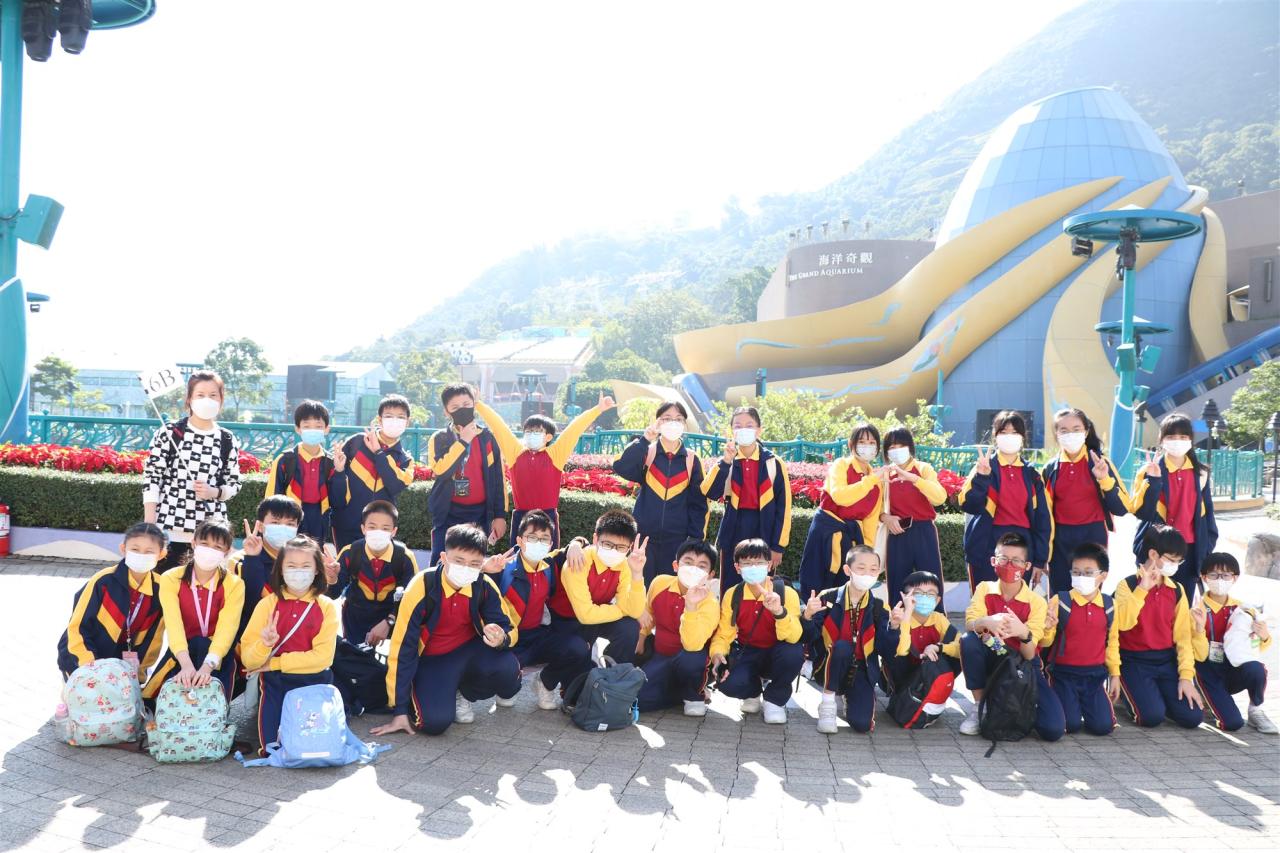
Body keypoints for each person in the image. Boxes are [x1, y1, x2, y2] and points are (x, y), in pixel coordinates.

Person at [373, 525, 518, 736]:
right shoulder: (422, 586)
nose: (466, 568)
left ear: (482, 564)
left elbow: (510, 628)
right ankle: (436, 693)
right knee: (434, 723)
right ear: (444, 557)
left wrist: (501, 638)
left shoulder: (484, 585)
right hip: (432, 661)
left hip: (469, 653)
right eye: (459, 561)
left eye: (475, 563)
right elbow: (403, 647)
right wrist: (399, 709)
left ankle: (464, 694)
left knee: (509, 669)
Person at [239, 537, 340, 756]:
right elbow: (249, 659)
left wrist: (274, 663)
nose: (298, 572)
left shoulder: (326, 607)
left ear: (317, 570)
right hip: (275, 684)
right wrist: (264, 645)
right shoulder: (267, 604)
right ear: (280, 569)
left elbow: (323, 658)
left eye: (306, 566)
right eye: (291, 566)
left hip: (313, 683)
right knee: (272, 750)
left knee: (312, 750)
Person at [958, 532, 1064, 741]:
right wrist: (986, 621)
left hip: (1023, 663)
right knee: (968, 641)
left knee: (1053, 729)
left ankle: (1011, 705)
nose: (1009, 565)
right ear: (993, 561)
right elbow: (970, 624)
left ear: (1027, 566)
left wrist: (1023, 632)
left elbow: (1029, 653)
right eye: (1003, 559)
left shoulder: (1036, 602)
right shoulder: (984, 588)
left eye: (1016, 560)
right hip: (995, 651)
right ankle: (980, 707)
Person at [477, 393, 614, 549]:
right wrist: (477, 404)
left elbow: (574, 429)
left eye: (536, 431)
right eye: (528, 431)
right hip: (522, 516)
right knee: (518, 558)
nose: (531, 434)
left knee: (549, 559)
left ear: (548, 437)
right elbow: (498, 425)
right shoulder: (515, 452)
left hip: (547, 517)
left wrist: (598, 409)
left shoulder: (556, 454)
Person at [143, 370, 241, 570]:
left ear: (221, 400)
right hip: (170, 530)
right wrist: (150, 525)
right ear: (189, 399)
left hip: (211, 536)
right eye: (200, 395)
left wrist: (214, 492)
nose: (207, 400)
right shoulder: (170, 433)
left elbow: (234, 483)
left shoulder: (227, 439)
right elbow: (152, 478)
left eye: (213, 395)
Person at [493, 510, 592, 710]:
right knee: (507, 694)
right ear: (519, 540)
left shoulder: (549, 564)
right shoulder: (504, 569)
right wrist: (484, 570)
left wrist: (575, 544)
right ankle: (506, 686)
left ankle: (545, 682)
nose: (538, 543)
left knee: (578, 648)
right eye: (532, 537)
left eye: (544, 538)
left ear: (550, 543)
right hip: (511, 640)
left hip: (539, 636)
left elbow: (577, 545)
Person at [1114, 524, 1204, 729]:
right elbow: (1123, 624)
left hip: (1165, 661)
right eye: (1171, 560)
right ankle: (1133, 696)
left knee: (1192, 717)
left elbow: (1183, 638)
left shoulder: (1177, 590)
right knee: (1151, 717)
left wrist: (1186, 677)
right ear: (1153, 554)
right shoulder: (1127, 585)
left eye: (1179, 561)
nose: (1175, 566)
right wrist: (1142, 589)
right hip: (1133, 660)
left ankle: (1157, 698)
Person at [143, 520, 245, 702]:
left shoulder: (234, 584)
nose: (209, 550)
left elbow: (227, 629)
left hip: (217, 654)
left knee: (211, 704)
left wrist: (207, 667)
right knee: (156, 701)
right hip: (183, 650)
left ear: (227, 552)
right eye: (204, 543)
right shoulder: (171, 578)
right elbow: (173, 625)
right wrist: (186, 665)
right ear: (193, 543)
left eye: (218, 547)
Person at [613, 401, 711, 585]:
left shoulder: (691, 459)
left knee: (669, 589)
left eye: (678, 419)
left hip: (677, 541)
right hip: (644, 538)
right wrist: (644, 440)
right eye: (667, 418)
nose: (673, 423)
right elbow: (621, 467)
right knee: (639, 587)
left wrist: (694, 539)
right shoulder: (647, 452)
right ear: (658, 422)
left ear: (684, 424)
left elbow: (699, 503)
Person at [708, 539, 804, 724]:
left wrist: (779, 611)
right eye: (746, 563)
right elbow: (724, 633)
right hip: (748, 650)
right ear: (737, 568)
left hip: (778, 652)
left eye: (759, 562)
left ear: (769, 565)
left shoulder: (786, 593)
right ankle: (752, 692)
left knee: (793, 653)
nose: (753, 567)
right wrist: (717, 653)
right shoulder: (733, 594)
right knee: (727, 683)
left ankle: (774, 700)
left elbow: (794, 636)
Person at [57, 522, 167, 682]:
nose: (141, 555)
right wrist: (91, 669)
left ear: (161, 554)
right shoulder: (103, 581)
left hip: (123, 668)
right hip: (82, 659)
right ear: (123, 548)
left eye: (149, 551)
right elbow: (77, 628)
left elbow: (154, 639)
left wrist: (138, 675)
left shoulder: (161, 589)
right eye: (135, 549)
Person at [802, 545, 893, 734]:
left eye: (873, 569)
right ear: (847, 570)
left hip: (861, 668)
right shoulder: (827, 597)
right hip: (828, 663)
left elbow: (886, 649)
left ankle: (847, 695)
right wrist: (808, 616)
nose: (867, 574)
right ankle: (828, 703)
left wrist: (895, 627)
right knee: (842, 647)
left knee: (862, 725)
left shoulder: (879, 607)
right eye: (861, 568)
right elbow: (808, 637)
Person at [702, 406, 792, 590]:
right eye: (738, 425)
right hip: (734, 527)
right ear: (732, 431)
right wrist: (725, 462)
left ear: (759, 430)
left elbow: (783, 507)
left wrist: (778, 546)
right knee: (730, 585)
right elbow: (709, 491)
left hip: (764, 528)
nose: (743, 429)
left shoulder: (773, 462)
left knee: (763, 585)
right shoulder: (729, 460)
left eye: (749, 425)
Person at [960, 410, 1051, 592]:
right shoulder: (984, 467)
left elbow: (1043, 520)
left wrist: (1039, 560)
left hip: (1022, 548)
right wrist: (982, 477)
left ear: (1023, 437)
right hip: (987, 545)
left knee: (1017, 602)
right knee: (985, 601)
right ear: (995, 436)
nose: (1009, 436)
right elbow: (969, 505)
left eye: (1015, 432)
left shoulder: (1032, 475)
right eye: (1003, 432)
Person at [1042, 408, 1129, 595]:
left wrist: (1104, 479)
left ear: (1086, 431)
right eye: (1064, 430)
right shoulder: (1050, 468)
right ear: (1057, 434)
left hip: (1093, 535)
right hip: (1060, 540)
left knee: (1089, 593)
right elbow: (1042, 513)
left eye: (1076, 429)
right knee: (1060, 597)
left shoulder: (1100, 463)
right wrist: (1042, 553)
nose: (1070, 435)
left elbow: (1122, 508)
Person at [1130, 413, 1218, 598]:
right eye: (1171, 436)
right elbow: (1142, 513)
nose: (1177, 441)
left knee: (1182, 603)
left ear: (1191, 440)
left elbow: (1208, 515)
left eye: (1183, 437)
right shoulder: (1148, 470)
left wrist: (1206, 547)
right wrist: (1153, 480)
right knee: (1150, 601)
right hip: (1156, 550)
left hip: (1189, 551)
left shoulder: (1201, 474)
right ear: (1161, 439)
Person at [1038, 542, 1119, 736]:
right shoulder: (1060, 601)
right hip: (1063, 674)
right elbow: (1045, 643)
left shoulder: (1110, 605)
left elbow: (1113, 643)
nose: (1081, 577)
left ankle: (1086, 708)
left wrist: (1115, 675)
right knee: (1070, 724)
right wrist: (1047, 628)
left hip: (1094, 676)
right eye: (1076, 572)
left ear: (1103, 576)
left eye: (1088, 573)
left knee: (1103, 727)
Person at [1191, 552, 1276, 733]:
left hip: (1233, 668)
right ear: (1204, 577)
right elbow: (1199, 655)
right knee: (1232, 724)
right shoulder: (1197, 609)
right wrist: (1199, 629)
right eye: (1213, 575)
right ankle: (1207, 698)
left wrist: (1264, 636)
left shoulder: (1243, 608)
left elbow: (1255, 648)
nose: (1220, 580)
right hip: (1207, 671)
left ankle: (1255, 710)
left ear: (1235, 578)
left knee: (1257, 669)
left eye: (1226, 575)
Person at [549, 510, 648, 664]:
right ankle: (551, 675)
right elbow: (585, 615)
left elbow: (634, 611)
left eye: (621, 547)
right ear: (595, 539)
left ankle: (615, 674)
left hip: (596, 618)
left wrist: (637, 574)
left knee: (629, 627)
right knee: (581, 655)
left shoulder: (624, 565)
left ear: (629, 548)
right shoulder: (579, 561)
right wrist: (622, 609)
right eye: (607, 544)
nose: (614, 551)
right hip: (564, 621)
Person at [636, 539, 720, 717]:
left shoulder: (710, 603)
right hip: (661, 656)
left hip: (692, 660)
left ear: (710, 574)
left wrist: (691, 606)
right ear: (676, 565)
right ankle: (677, 693)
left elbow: (692, 645)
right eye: (688, 562)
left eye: (702, 566)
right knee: (639, 699)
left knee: (691, 659)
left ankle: (694, 694)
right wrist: (642, 636)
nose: (693, 569)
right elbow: (648, 613)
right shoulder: (660, 583)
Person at [798, 423, 882, 599]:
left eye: (872, 442)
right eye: (862, 442)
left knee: (845, 588)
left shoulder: (876, 482)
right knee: (816, 580)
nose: (867, 446)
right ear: (851, 444)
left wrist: (865, 551)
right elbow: (840, 496)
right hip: (825, 532)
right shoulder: (841, 465)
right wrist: (869, 481)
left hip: (851, 539)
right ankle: (813, 613)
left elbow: (870, 520)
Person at [425, 384, 507, 565]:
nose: (462, 409)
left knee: (474, 565)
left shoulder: (487, 437)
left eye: (466, 404)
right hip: (448, 513)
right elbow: (441, 470)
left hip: (479, 515)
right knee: (441, 563)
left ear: (474, 405)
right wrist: (463, 442)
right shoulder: (440, 438)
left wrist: (499, 515)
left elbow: (497, 478)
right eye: (455, 407)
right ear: (446, 411)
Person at [329, 394, 416, 550]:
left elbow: (395, 486)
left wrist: (378, 452)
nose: (394, 421)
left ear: (407, 422)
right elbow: (333, 480)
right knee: (344, 565)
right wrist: (339, 471)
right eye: (389, 416)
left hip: (379, 531)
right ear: (379, 420)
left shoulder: (406, 460)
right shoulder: (356, 442)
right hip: (345, 524)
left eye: (400, 417)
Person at [327, 500, 419, 645]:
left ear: (394, 531)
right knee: (354, 655)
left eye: (385, 528)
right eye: (372, 527)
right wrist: (331, 579)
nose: (378, 532)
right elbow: (333, 594)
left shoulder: (405, 557)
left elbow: (411, 599)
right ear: (363, 529)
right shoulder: (350, 552)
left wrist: (389, 621)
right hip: (356, 618)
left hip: (391, 617)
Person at [878, 426, 948, 605]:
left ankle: (937, 618)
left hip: (924, 530)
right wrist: (886, 518)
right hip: (897, 532)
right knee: (897, 585)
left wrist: (914, 479)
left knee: (931, 580)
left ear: (910, 447)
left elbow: (939, 497)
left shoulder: (923, 469)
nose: (896, 450)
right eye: (891, 447)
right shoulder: (885, 474)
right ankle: (897, 620)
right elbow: (875, 507)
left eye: (901, 445)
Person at [882, 570, 960, 721]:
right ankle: (901, 694)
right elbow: (901, 651)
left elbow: (961, 647)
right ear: (906, 596)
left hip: (927, 670)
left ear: (937, 600)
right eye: (918, 593)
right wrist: (907, 614)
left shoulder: (938, 619)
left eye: (930, 594)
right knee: (897, 654)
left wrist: (938, 647)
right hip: (902, 672)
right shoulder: (898, 616)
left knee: (957, 653)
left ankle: (934, 691)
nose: (925, 598)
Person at [228, 495, 306, 641]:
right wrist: (252, 559)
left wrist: (331, 578)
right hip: (251, 638)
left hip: (293, 636)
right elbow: (247, 603)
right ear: (261, 526)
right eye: (275, 522)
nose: (283, 529)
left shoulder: (304, 560)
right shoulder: (239, 560)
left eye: (290, 524)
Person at [264, 400, 340, 544]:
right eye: (306, 426)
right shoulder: (285, 460)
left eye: (318, 426)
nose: (313, 430)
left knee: (315, 551)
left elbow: (339, 499)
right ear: (298, 429)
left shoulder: (331, 462)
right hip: (290, 516)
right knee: (289, 551)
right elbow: (272, 496)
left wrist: (340, 471)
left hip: (319, 516)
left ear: (326, 429)